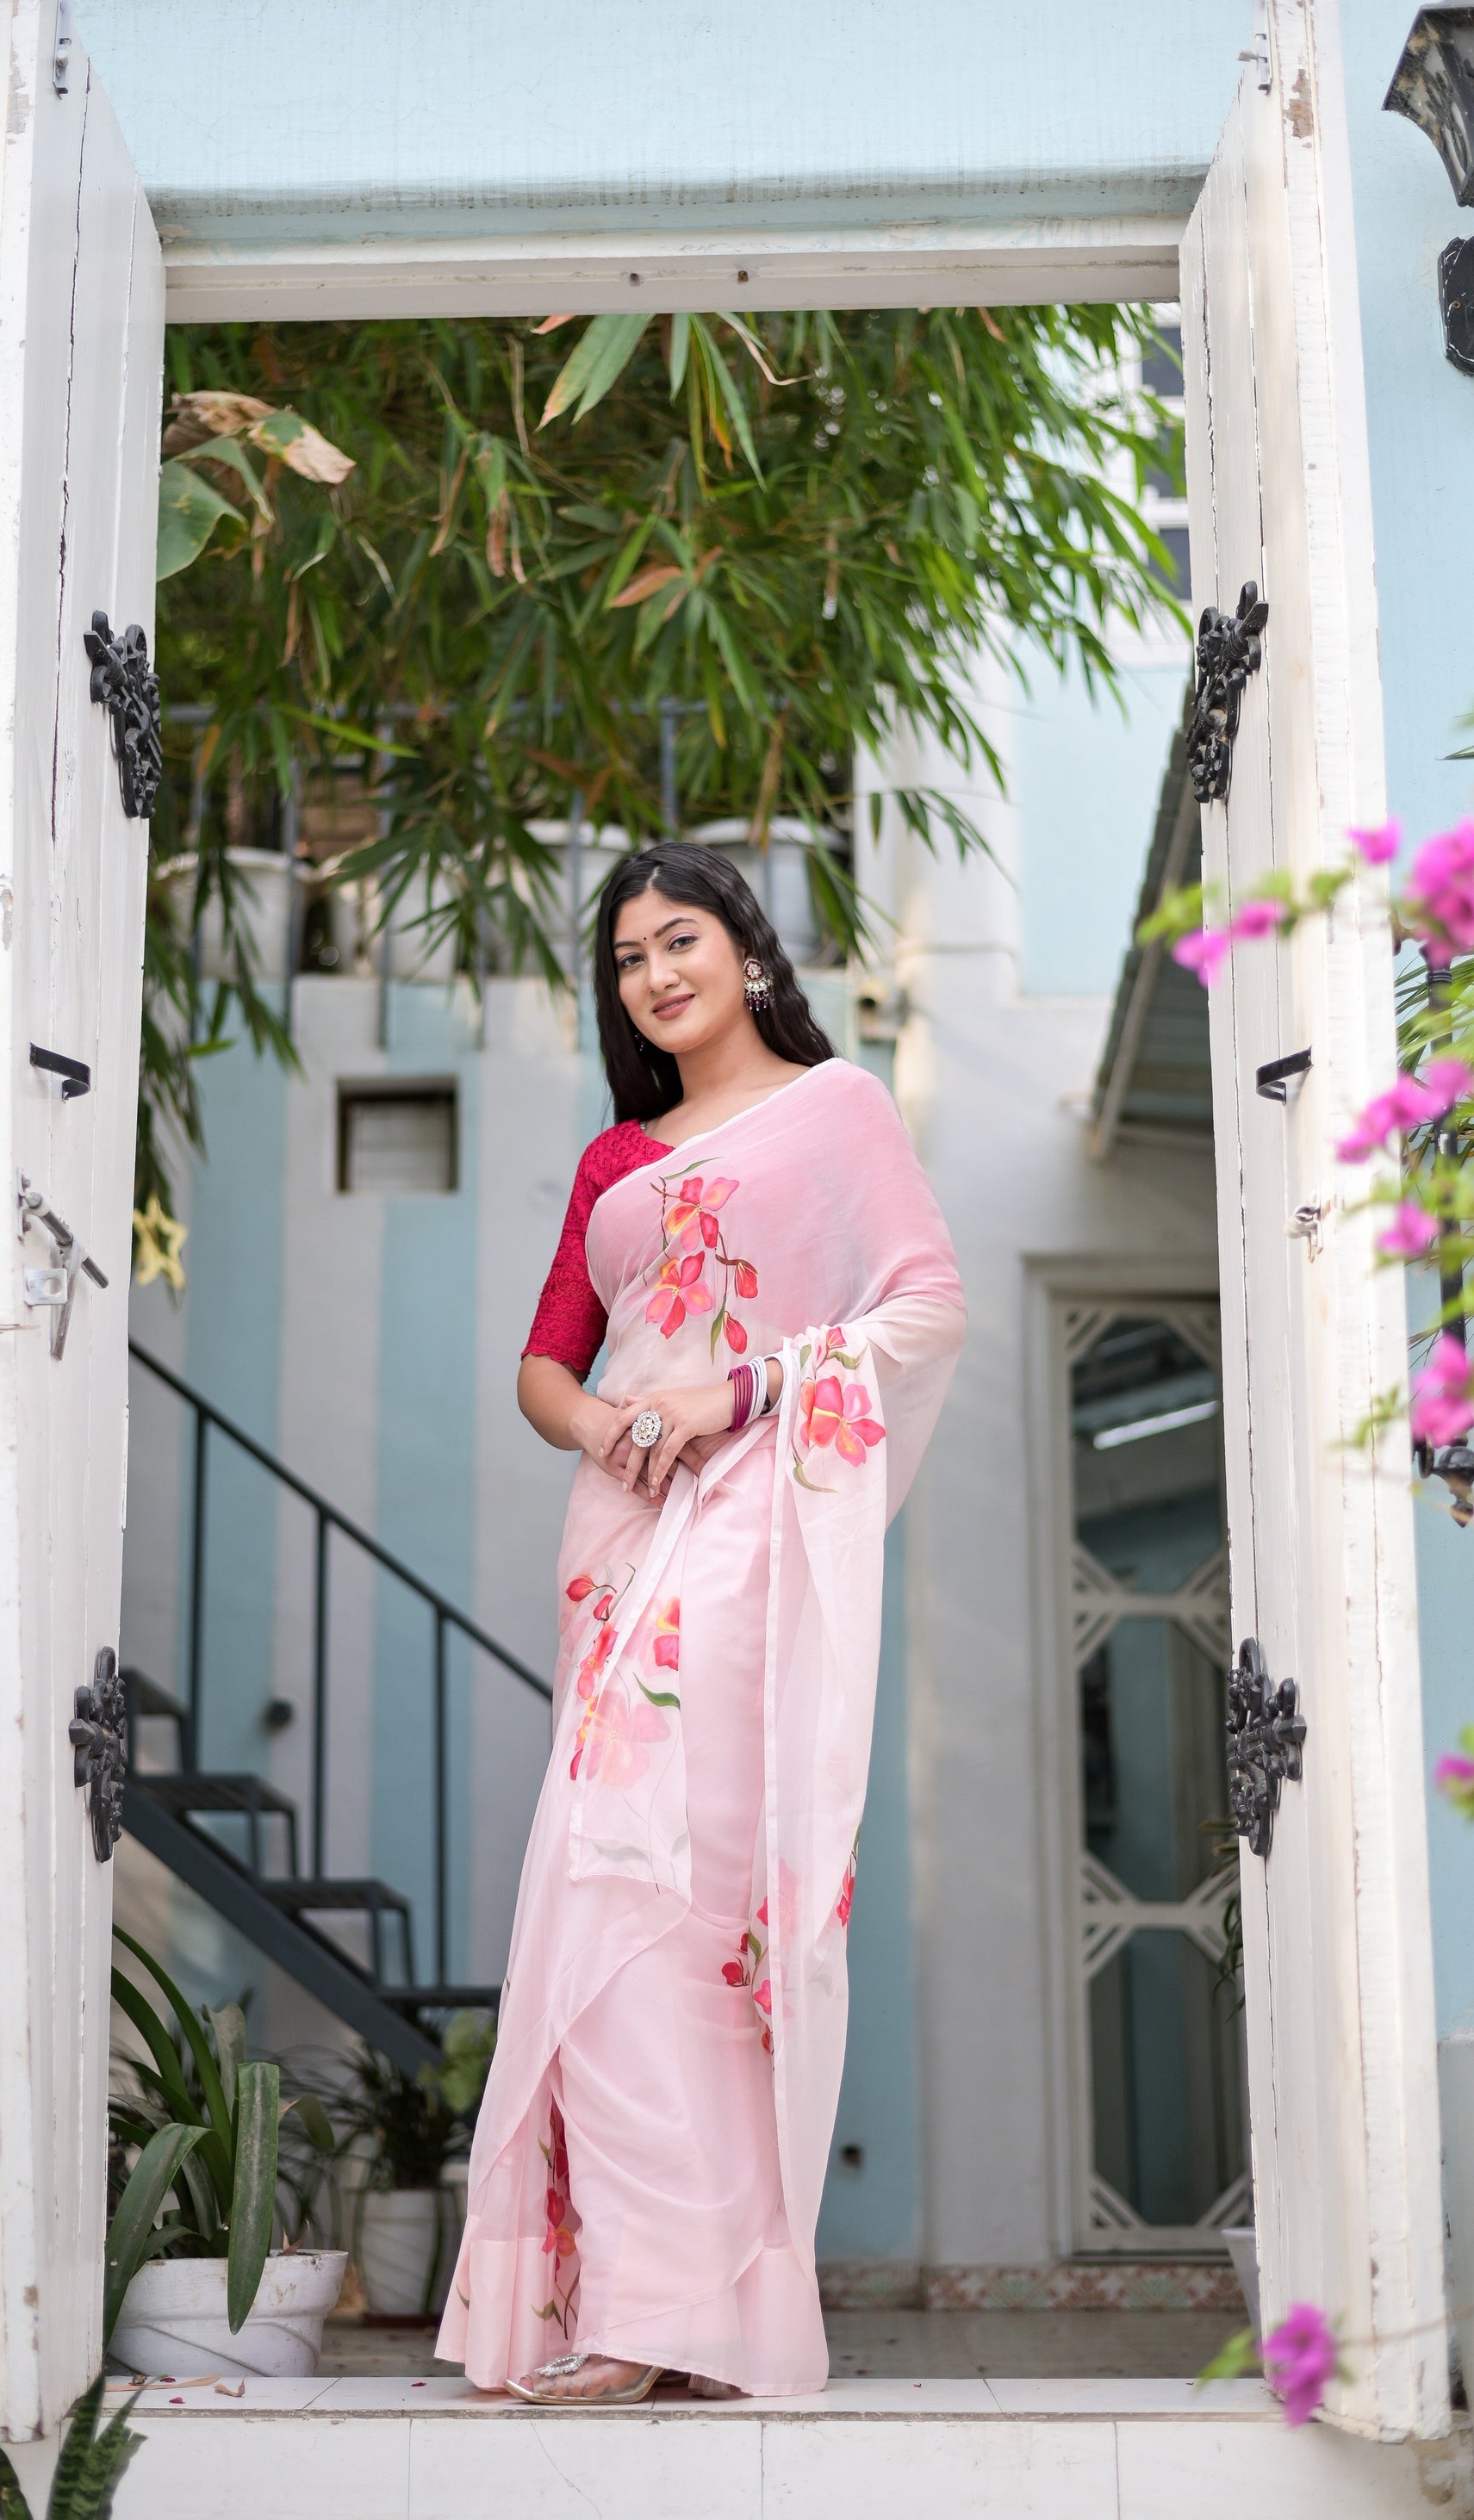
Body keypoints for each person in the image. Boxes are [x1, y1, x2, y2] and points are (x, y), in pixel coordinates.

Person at [433, 841, 965, 2404]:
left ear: (747, 948)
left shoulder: (840, 1112)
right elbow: (547, 1364)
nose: (655, 974)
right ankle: (653, 2305)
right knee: (609, 1899)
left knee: (697, 1910)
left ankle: (684, 2310)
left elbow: (922, 1304)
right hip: (627, 1543)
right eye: (626, 957)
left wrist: (735, 1389)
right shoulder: (618, 1159)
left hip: (756, 1528)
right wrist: (610, 1430)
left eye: (682, 940)